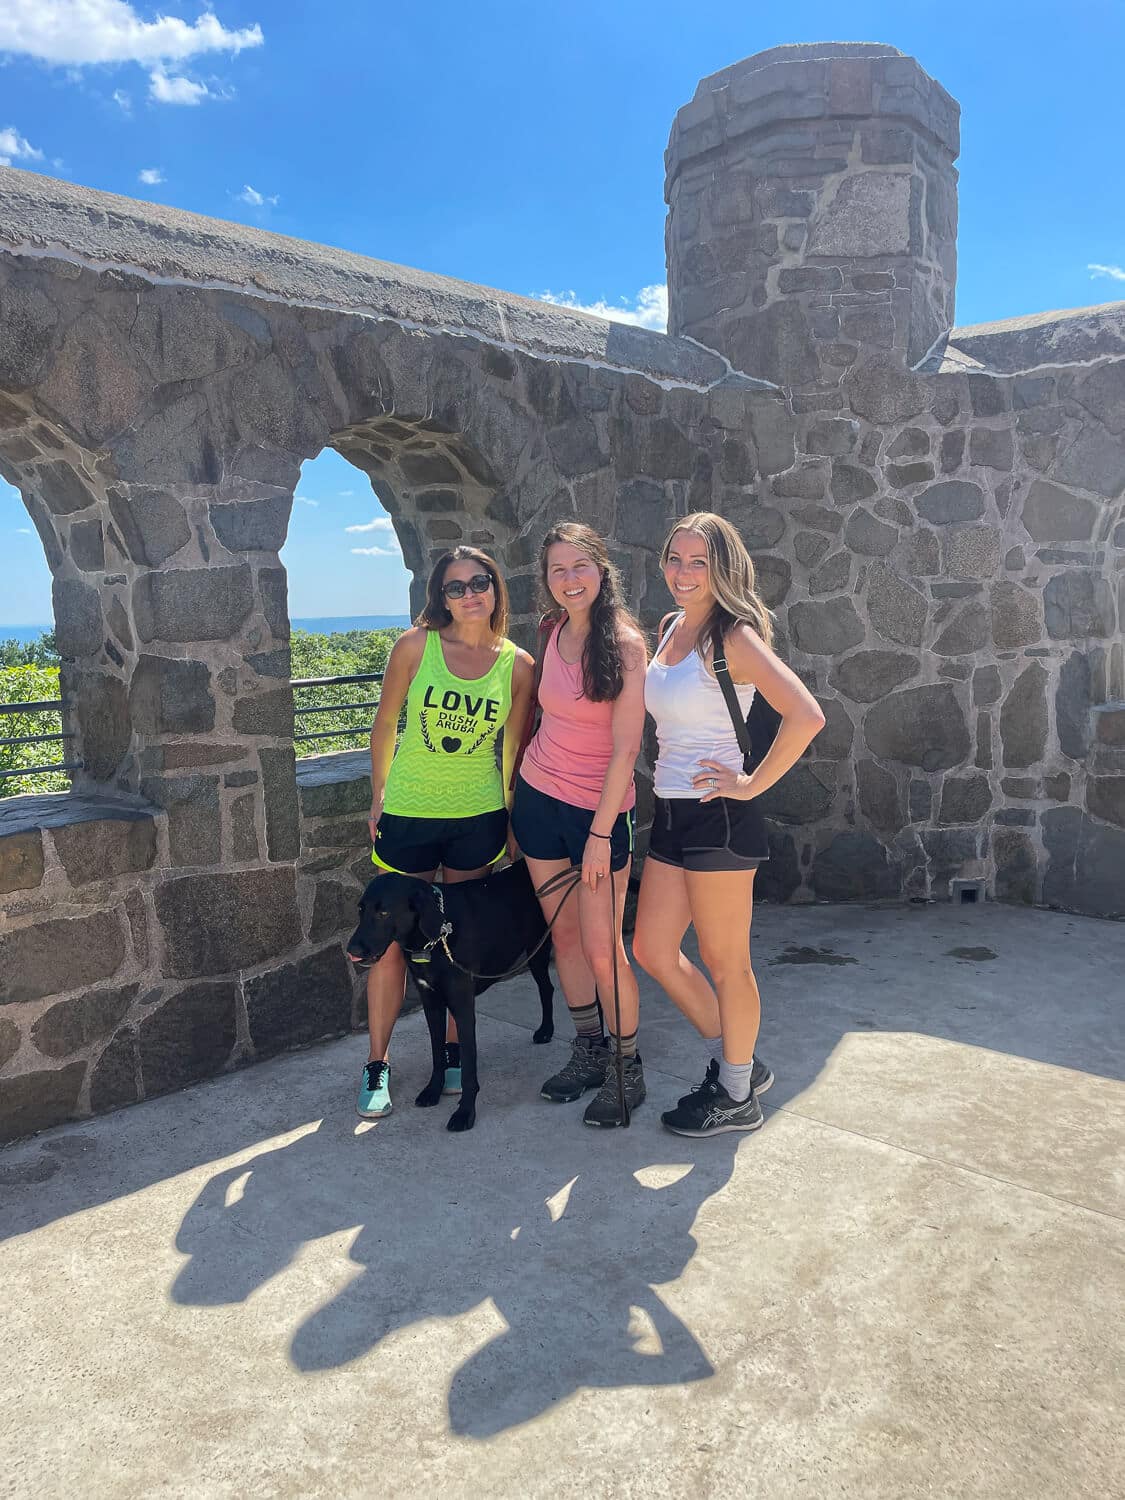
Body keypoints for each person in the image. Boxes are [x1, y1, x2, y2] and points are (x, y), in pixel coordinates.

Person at [632, 512, 825, 1137]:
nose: (683, 573)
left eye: (698, 562)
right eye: (675, 559)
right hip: (671, 811)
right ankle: (738, 1057)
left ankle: (737, 1092)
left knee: (725, 960)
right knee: (653, 949)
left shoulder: (732, 636)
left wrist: (751, 784)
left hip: (718, 815)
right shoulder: (669, 630)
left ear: (721, 568)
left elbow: (806, 715)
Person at [357, 547, 534, 1119]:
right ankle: (377, 1064)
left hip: (475, 820)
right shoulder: (416, 646)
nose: (468, 595)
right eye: (454, 587)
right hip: (408, 815)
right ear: (440, 596)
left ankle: (452, 1054)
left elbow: (512, 747)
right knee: (387, 941)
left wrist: (507, 815)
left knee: (456, 941)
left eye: (478, 582)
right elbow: (386, 723)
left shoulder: (519, 665)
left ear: (495, 588)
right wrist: (378, 795)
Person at [509, 521, 647, 1128]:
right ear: (547, 581)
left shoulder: (625, 646)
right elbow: (545, 719)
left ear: (601, 569)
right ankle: (589, 1049)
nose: (569, 580)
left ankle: (627, 1068)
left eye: (579, 567)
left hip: (599, 814)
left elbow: (625, 751)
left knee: (602, 947)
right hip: (539, 800)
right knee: (564, 939)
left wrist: (598, 834)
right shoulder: (550, 632)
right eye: (557, 570)